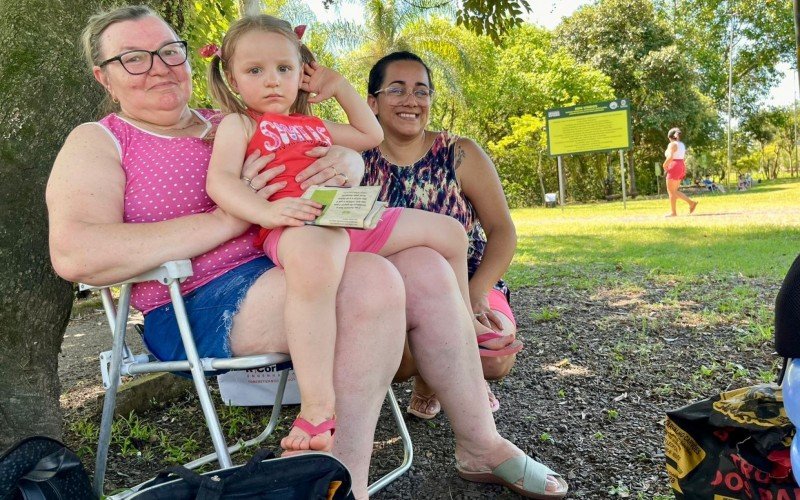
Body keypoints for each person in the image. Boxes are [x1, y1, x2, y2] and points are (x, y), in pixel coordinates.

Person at [47, 6, 567, 499]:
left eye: (169, 51)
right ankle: (344, 482)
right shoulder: (101, 141)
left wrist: (347, 163)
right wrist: (227, 219)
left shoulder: (233, 117)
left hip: (294, 259)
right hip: (194, 301)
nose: (157, 68)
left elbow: (337, 146)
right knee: (371, 282)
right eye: (132, 58)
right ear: (103, 77)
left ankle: (480, 441)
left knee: (429, 263)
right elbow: (76, 253)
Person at [204, 15, 495, 453]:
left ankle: (465, 331)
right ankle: (318, 407)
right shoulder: (239, 125)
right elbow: (221, 183)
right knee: (316, 267)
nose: (272, 82)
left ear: (302, 73)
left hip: (344, 216)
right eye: (255, 71)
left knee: (450, 232)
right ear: (231, 77)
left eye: (285, 69)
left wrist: (339, 87)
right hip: (297, 225)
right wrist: (266, 210)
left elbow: (370, 133)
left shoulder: (312, 125)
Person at [362, 51, 523, 420]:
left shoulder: (460, 153)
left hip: (467, 279)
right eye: (396, 90)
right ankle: (437, 373)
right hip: (395, 287)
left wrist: (476, 293)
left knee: (495, 358)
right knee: (396, 360)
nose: (411, 101)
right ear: (372, 102)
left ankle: (439, 377)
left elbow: (502, 231)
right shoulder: (355, 159)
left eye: (422, 91)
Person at [662, 127, 698, 216]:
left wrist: (664, 165)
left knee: (671, 191)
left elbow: (670, 157)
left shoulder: (672, 144)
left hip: (674, 165)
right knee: (674, 191)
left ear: (669, 136)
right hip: (681, 165)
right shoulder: (681, 144)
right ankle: (678, 210)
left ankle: (689, 204)